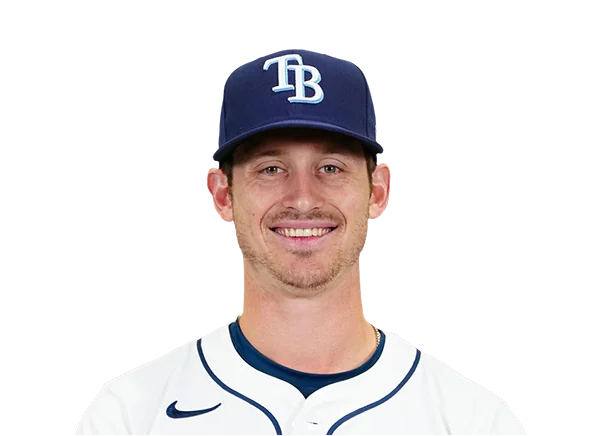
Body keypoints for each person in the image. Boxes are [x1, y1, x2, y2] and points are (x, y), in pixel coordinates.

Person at [76, 48, 526, 435]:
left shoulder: (473, 422)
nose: (303, 199)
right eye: (271, 169)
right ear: (222, 195)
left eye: (330, 168)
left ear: (378, 191)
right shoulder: (130, 416)